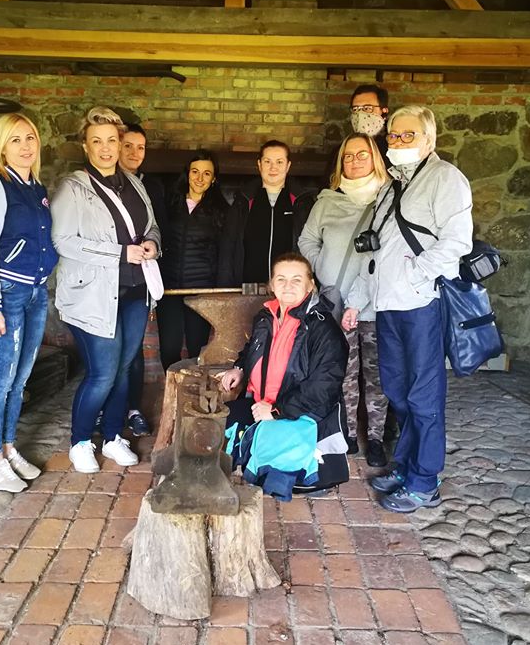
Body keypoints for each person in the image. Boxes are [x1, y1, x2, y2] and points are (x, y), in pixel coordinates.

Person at [343, 105, 473, 513]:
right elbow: (374, 252)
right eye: (394, 135)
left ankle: (424, 482)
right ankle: (406, 465)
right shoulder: (391, 187)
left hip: (421, 305)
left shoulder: (445, 178)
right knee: (397, 390)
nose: (398, 141)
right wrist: (357, 299)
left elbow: (457, 242)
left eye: (408, 135)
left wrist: (416, 275)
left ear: (428, 139)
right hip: (387, 306)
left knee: (424, 396)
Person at [51, 107, 163, 473]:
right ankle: (81, 442)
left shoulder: (134, 184)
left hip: (134, 292)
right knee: (102, 373)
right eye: (96, 141)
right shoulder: (73, 188)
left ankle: (113, 436)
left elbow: (151, 227)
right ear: (85, 146)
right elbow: (63, 241)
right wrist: (119, 253)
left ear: (120, 143)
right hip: (93, 295)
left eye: (111, 140)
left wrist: (152, 245)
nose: (105, 148)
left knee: (124, 368)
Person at [0, 113, 58, 492]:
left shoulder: (36, 187)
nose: (25, 147)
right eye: (15, 140)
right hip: (6, 293)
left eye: (30, 138)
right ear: (2, 147)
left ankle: (8, 448)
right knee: (0, 379)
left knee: (20, 379)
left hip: (36, 292)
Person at [220, 253, 349, 500]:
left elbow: (324, 388)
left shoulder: (323, 329)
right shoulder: (266, 316)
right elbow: (253, 348)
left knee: (280, 473)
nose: (288, 286)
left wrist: (276, 410)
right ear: (272, 284)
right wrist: (239, 368)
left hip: (298, 411)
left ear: (310, 285)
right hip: (261, 403)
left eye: (296, 280)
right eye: (281, 279)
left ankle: (297, 475)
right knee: (224, 421)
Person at [298, 132, 390, 467]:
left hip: (374, 305)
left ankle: (376, 439)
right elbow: (307, 240)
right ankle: (349, 434)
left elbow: (385, 255)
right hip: (336, 304)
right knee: (345, 372)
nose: (354, 161)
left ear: (375, 158)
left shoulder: (386, 201)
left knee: (376, 375)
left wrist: (357, 297)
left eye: (361, 154)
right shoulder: (326, 202)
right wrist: (323, 267)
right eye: (347, 156)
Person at [157, 149, 228, 369]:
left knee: (197, 348)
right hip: (169, 288)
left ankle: (193, 388)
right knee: (169, 348)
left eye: (207, 173)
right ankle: (172, 387)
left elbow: (224, 251)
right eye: (195, 171)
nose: (199, 178)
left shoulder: (221, 211)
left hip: (201, 290)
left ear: (213, 179)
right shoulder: (170, 204)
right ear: (187, 173)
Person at [118, 123, 165, 437]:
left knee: (133, 351)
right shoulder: (98, 186)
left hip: (138, 280)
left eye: (141, 147)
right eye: (128, 146)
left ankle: (132, 409)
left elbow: (156, 227)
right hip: (107, 281)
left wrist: (153, 245)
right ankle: (108, 412)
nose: (135, 153)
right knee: (109, 353)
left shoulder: (150, 187)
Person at [219, 140, 315, 286]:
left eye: (279, 162)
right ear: (259, 164)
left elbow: (311, 247)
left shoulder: (302, 203)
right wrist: (225, 287)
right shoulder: (243, 201)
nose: (273, 167)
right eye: (267, 161)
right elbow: (228, 247)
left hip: (288, 289)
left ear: (288, 165)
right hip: (248, 287)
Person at [350, 84, 390, 158]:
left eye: (367, 108)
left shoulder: (393, 147)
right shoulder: (344, 149)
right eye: (355, 109)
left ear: (384, 111)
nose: (360, 114)